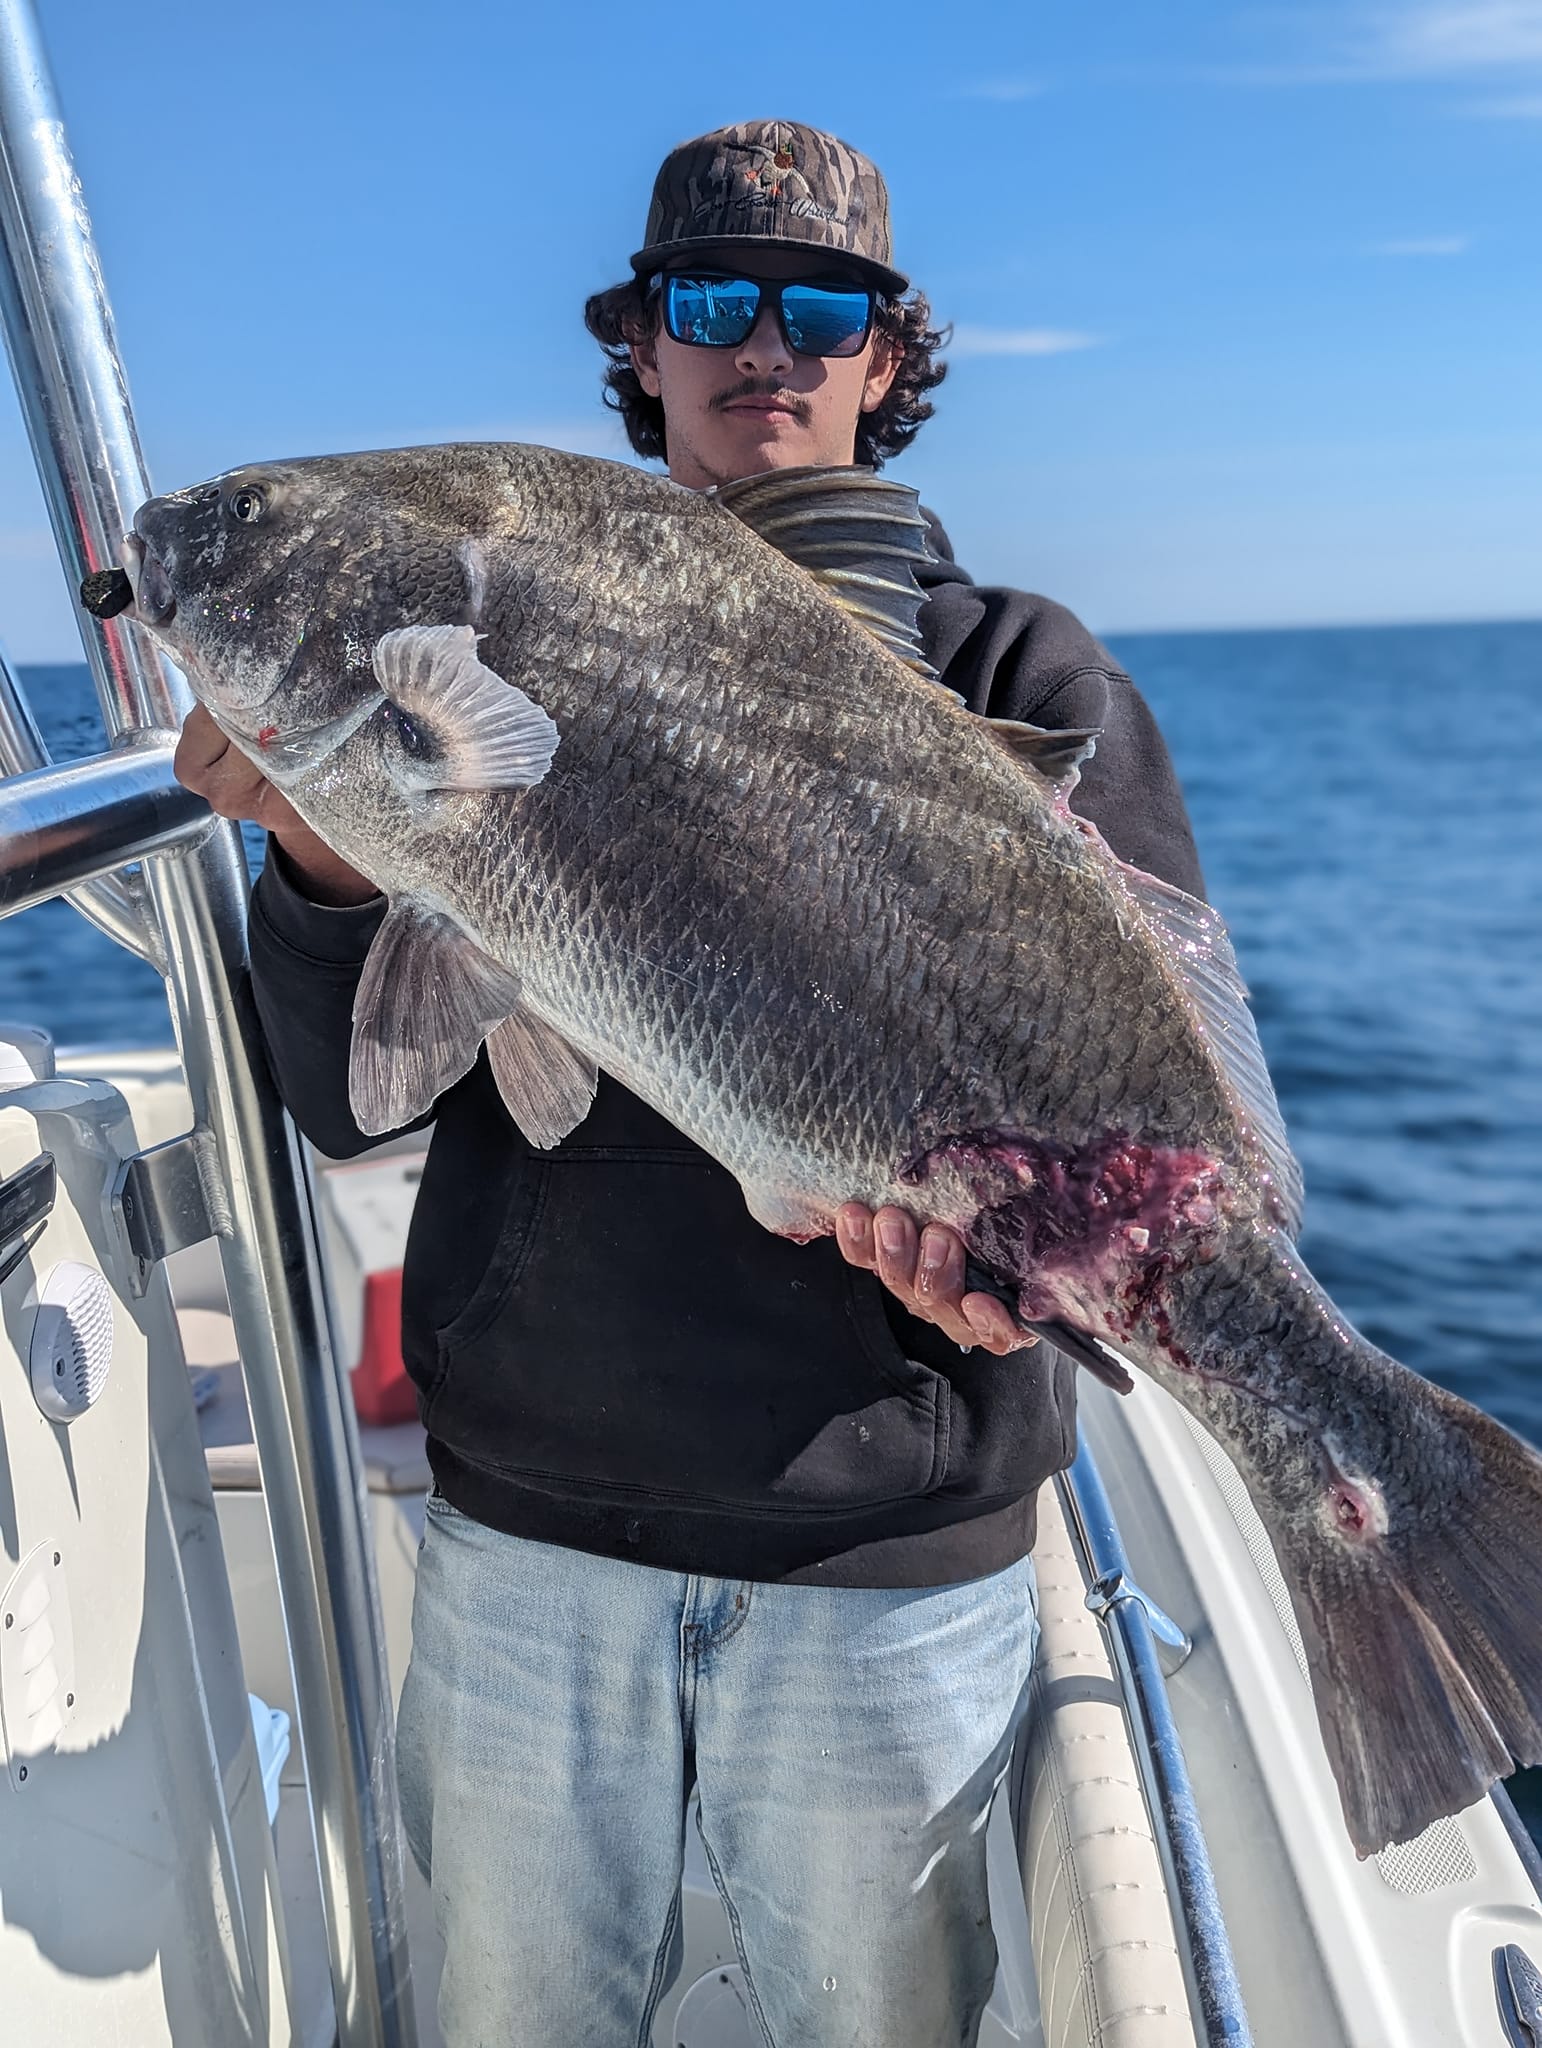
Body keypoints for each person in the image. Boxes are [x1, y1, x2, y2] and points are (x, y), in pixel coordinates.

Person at [175, 120, 1203, 2048]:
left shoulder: (1016, 675)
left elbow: (1144, 1146)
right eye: (712, 300)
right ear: (641, 344)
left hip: (882, 1568)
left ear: (888, 358)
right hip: (522, 1539)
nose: (768, 347)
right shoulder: (481, 631)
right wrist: (321, 842)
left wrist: (1014, 1290)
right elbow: (350, 1106)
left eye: (826, 308)